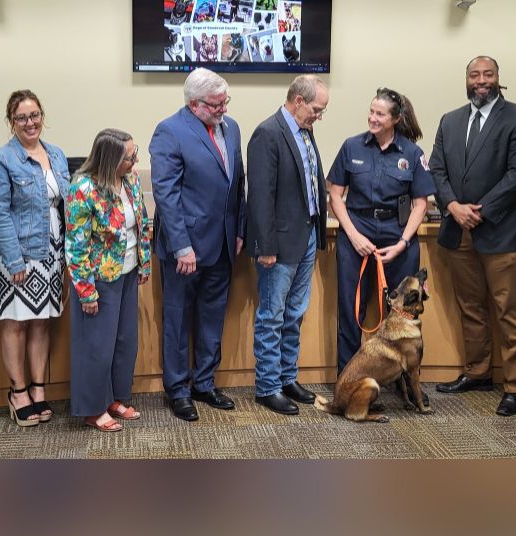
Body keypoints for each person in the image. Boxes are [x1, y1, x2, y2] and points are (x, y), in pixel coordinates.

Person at [430, 56, 516, 417]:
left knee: (508, 310)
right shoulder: (451, 120)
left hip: (500, 230)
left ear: (498, 79)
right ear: (466, 79)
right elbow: (438, 169)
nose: (481, 80)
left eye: (487, 74)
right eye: (474, 75)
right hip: (458, 229)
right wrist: (452, 207)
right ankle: (477, 372)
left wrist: (479, 209)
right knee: (471, 307)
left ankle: (515, 386)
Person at [149, 68, 246, 422]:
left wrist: (240, 229)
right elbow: (166, 195)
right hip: (184, 251)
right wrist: (181, 247)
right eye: (217, 104)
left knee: (212, 317)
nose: (223, 109)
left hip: (221, 244)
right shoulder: (169, 131)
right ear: (194, 104)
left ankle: (204, 383)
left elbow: (238, 183)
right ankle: (178, 390)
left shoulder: (231, 128)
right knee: (178, 321)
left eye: (225, 102)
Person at [327, 88, 436, 374]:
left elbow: (420, 203)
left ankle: (401, 382)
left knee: (403, 314)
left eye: (380, 113)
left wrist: (402, 243)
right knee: (352, 312)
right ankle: (348, 379)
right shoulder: (352, 147)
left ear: (396, 119)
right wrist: (353, 235)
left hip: (397, 236)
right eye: (371, 111)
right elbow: (335, 196)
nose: (372, 118)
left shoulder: (412, 153)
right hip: (356, 233)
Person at [0, 90, 70, 428]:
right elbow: (0, 215)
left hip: (51, 252)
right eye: (22, 117)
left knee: (42, 322)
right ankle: (17, 392)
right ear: (11, 122)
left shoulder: (57, 154)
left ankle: (38, 387)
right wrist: (15, 261)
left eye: (34, 115)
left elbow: (65, 203)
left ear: (42, 117)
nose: (30, 122)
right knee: (16, 323)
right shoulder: (1, 160)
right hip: (16, 254)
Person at [246, 75, 330, 415]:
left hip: (307, 234)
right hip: (278, 243)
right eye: (316, 109)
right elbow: (260, 197)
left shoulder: (305, 131)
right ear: (297, 100)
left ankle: (286, 377)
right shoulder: (267, 134)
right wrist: (265, 245)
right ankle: (268, 386)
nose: (319, 116)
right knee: (272, 315)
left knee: (294, 314)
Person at [65, 128, 152, 432]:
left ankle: (116, 397)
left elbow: (140, 222)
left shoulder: (129, 181)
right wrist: (86, 291)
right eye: (130, 157)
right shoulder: (83, 189)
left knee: (125, 341)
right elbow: (76, 246)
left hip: (127, 272)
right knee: (97, 346)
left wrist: (143, 263)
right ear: (110, 159)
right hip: (98, 278)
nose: (135, 161)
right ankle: (93, 408)